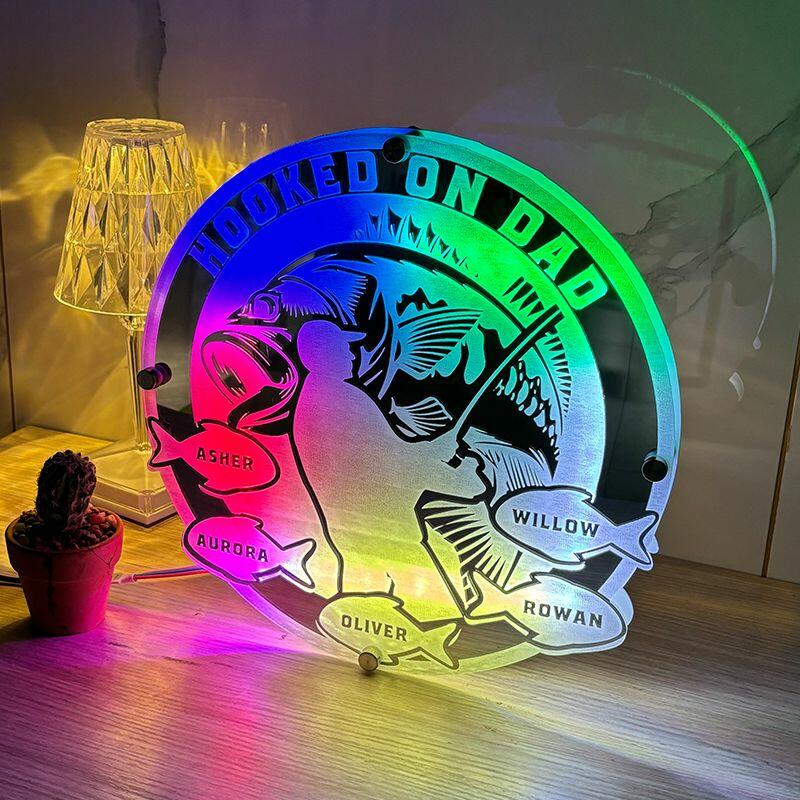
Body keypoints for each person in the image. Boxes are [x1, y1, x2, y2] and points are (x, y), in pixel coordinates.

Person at [292, 320, 484, 622]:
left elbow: (385, 458)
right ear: (324, 354)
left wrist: (434, 448)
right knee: (438, 618)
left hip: (354, 530)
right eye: (344, 347)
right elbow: (393, 465)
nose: (353, 354)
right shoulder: (343, 399)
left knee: (358, 611)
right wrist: (461, 477)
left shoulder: (317, 396)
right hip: (385, 537)